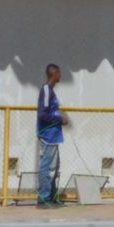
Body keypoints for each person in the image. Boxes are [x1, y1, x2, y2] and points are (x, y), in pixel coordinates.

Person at [35, 64, 68, 206]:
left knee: (54, 167)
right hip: (47, 136)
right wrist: (60, 119)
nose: (61, 75)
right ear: (54, 74)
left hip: (54, 136)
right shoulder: (46, 90)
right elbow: (42, 115)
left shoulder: (51, 91)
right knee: (47, 167)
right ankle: (44, 198)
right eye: (59, 73)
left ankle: (52, 197)